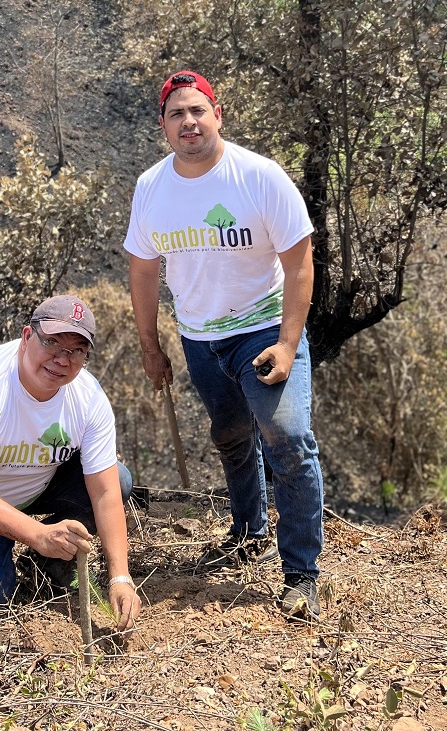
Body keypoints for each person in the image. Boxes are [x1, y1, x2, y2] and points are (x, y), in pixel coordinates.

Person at [125, 71, 323, 622]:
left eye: (198, 110)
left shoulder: (259, 177)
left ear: (217, 116)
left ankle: (302, 574)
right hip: (199, 338)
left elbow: (299, 262)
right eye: (176, 114)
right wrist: (151, 346)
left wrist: (288, 344)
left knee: (286, 436)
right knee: (232, 435)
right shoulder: (152, 188)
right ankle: (247, 532)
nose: (189, 122)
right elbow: (143, 271)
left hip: (261, 329)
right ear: (163, 126)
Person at [0, 294, 141, 629]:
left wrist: (119, 576)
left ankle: (47, 560)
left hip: (34, 487)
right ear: (26, 337)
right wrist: (37, 533)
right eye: (51, 342)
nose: (62, 359)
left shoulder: (89, 398)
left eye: (76, 350)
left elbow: (105, 493)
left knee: (119, 479)